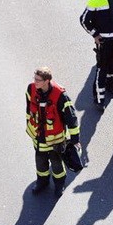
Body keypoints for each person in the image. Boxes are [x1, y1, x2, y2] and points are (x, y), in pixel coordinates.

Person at [26, 68, 81, 198]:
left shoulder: (60, 95)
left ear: (47, 81)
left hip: (55, 140)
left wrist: (74, 140)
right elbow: (29, 109)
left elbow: (71, 118)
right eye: (34, 78)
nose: (35, 82)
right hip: (38, 136)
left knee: (56, 164)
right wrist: (29, 124)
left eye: (38, 80)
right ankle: (42, 182)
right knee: (40, 161)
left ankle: (59, 184)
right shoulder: (31, 89)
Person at [81, 0, 113, 109]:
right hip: (104, 41)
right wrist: (95, 35)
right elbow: (83, 20)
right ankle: (99, 99)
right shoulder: (95, 1)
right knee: (102, 69)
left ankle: (111, 86)